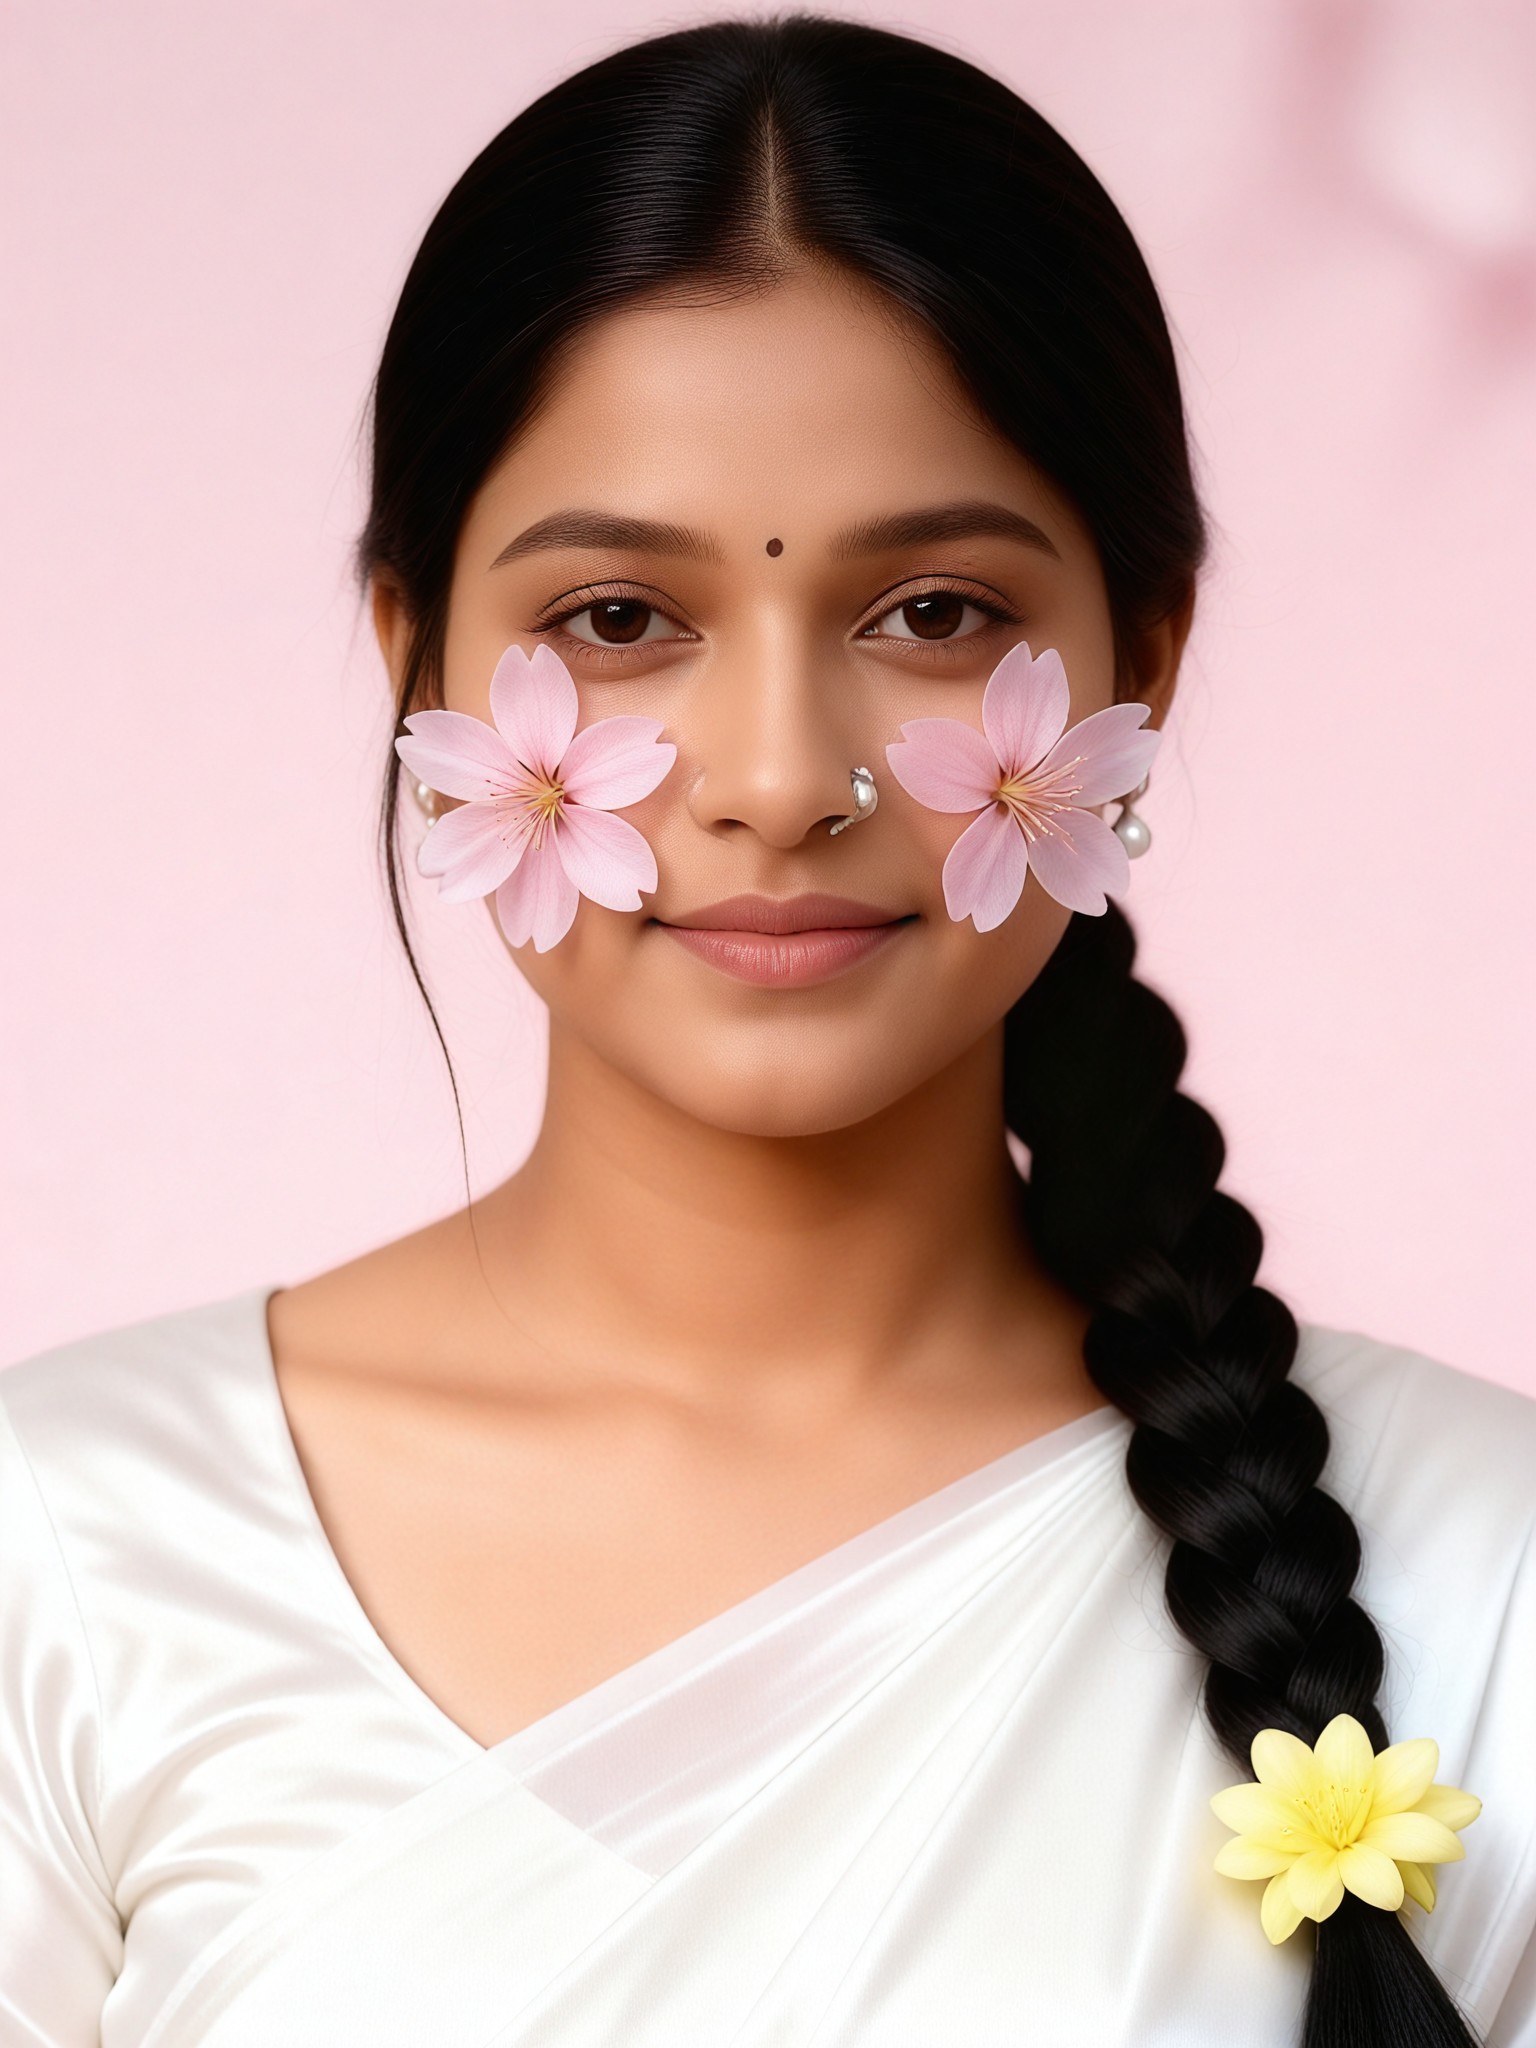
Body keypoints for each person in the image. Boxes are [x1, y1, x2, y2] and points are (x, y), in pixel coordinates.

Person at [3, 16, 1532, 2045]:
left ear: (1142, 659)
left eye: (935, 614)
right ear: (418, 667)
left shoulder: (1480, 1570)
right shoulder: (71, 1557)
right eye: (623, 619)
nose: (782, 774)